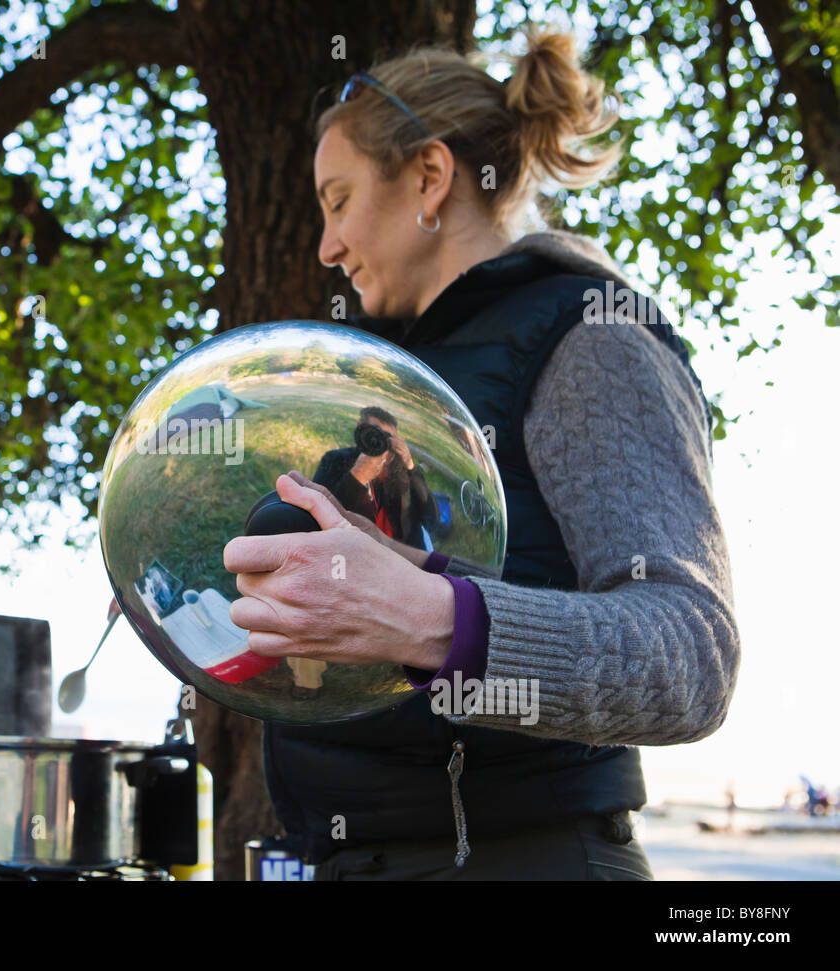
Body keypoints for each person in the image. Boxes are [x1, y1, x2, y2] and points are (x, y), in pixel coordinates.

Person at [221, 27, 740, 879]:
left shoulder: (591, 338)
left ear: (429, 177)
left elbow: (690, 655)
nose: (326, 247)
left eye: (339, 200)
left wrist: (436, 618)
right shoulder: (392, 380)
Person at [313, 406, 436, 549]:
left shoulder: (401, 467)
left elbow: (431, 516)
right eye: (375, 433)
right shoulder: (335, 460)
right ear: (360, 428)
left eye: (388, 437)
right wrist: (357, 477)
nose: (381, 442)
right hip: (355, 549)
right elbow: (318, 518)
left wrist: (410, 465)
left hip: (405, 552)